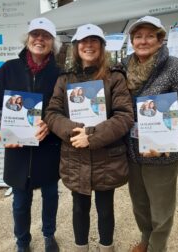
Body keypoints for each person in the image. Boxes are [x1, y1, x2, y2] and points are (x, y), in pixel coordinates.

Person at [44, 23, 134, 252]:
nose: (89, 45)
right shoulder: (65, 79)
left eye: (94, 40)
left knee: (105, 209)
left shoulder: (115, 77)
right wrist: (76, 131)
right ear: (76, 47)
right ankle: (80, 248)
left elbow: (124, 116)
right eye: (83, 41)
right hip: (76, 155)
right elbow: (52, 113)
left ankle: (107, 247)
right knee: (79, 208)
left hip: (107, 158)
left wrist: (91, 136)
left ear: (102, 46)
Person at [122, 16, 178, 252]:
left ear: (160, 39)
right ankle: (146, 240)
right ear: (132, 40)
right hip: (132, 150)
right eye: (138, 36)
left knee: (161, 207)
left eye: (149, 35)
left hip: (162, 152)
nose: (143, 41)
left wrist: (170, 135)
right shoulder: (123, 67)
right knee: (140, 203)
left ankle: (158, 247)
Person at [0, 17, 61, 252]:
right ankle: (23, 242)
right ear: (28, 39)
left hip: (49, 148)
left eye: (46, 36)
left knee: (50, 197)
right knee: (20, 203)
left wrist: (50, 124)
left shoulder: (60, 74)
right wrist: (4, 126)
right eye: (35, 35)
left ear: (53, 43)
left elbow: (64, 110)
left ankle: (49, 235)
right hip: (17, 150)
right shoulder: (8, 68)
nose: (39, 39)